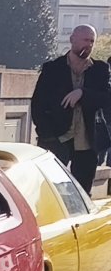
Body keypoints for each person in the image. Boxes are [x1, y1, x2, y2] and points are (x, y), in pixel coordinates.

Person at [32, 24, 111, 192]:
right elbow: (38, 104)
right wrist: (47, 134)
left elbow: (106, 98)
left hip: (87, 143)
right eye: (85, 40)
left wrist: (82, 93)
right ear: (72, 39)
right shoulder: (53, 68)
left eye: (92, 41)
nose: (88, 44)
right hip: (57, 140)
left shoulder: (100, 69)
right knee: (50, 191)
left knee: (83, 194)